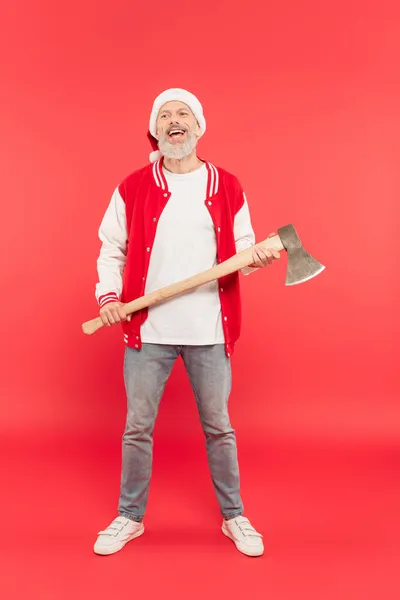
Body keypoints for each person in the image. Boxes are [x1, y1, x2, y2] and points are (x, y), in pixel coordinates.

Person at [93, 88, 280, 557]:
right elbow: (111, 247)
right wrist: (109, 296)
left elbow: (242, 248)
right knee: (137, 426)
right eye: (164, 115)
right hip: (147, 330)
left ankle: (234, 516)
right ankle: (129, 517)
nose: (174, 121)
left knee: (219, 426)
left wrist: (257, 256)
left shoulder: (227, 185)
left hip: (209, 332)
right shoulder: (133, 185)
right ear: (155, 130)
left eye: (183, 114)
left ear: (199, 126)